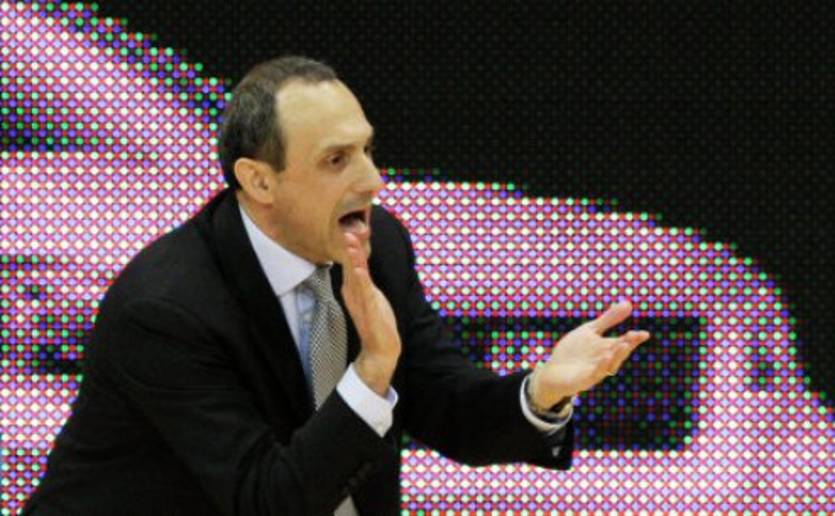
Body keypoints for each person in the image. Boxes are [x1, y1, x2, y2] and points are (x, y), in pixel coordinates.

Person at [23, 56, 650, 515]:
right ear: (259, 181)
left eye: (368, 150)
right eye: (336, 160)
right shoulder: (166, 309)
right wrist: (373, 368)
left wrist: (542, 390)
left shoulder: (379, 247)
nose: (373, 180)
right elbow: (267, 501)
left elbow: (446, 406)